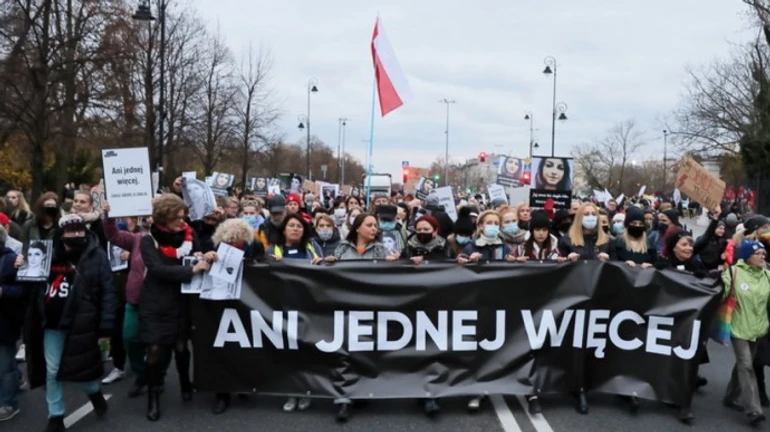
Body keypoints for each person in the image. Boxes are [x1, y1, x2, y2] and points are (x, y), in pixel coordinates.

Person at [23, 214, 116, 432]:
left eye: (79, 230)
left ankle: (94, 391)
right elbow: (32, 287)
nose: (75, 234)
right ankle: (55, 415)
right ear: (61, 233)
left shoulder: (97, 255)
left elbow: (108, 292)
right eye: (70, 230)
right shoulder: (47, 254)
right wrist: (24, 266)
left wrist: (106, 326)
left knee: (82, 368)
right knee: (53, 370)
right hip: (52, 323)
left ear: (85, 231)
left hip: (83, 323)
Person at [140, 194, 216, 421]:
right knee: (154, 349)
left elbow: (198, 254)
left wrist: (205, 256)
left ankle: (185, 381)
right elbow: (156, 269)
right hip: (156, 300)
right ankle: (153, 397)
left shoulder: (189, 235)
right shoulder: (148, 240)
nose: (181, 222)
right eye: (176, 218)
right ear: (163, 218)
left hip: (182, 299)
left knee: (181, 346)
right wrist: (190, 271)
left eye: (183, 217)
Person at [209, 218, 263, 414]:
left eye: (238, 242)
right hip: (220, 304)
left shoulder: (254, 246)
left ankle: (243, 387)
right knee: (222, 348)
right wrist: (206, 258)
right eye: (230, 242)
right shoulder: (214, 247)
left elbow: (263, 267)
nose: (234, 245)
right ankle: (221, 393)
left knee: (245, 346)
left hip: (246, 303)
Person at [102, 201, 149, 398]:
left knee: (158, 345)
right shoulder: (138, 238)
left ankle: (155, 378)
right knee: (129, 337)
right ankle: (141, 374)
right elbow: (113, 236)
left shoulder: (173, 239)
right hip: (135, 299)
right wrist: (108, 215)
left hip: (159, 301)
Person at [721, 241, 770, 426]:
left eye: (764, 254)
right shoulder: (734, 272)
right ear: (747, 256)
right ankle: (753, 410)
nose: (762, 256)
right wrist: (717, 281)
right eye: (758, 253)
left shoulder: (767, 276)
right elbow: (722, 292)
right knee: (747, 366)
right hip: (738, 328)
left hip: (759, 329)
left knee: (742, 365)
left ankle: (729, 397)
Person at [0, 225, 22, 422]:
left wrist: (3, 291)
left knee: (5, 366)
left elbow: (22, 291)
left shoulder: (9, 260)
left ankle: (9, 403)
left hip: (5, 323)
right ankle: (17, 378)